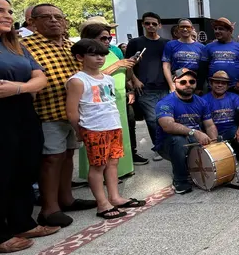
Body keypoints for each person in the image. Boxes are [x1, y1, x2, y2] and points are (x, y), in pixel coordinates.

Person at [22, 4, 90, 228]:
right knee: (51, 158)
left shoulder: (70, 46)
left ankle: (66, 198)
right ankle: (49, 209)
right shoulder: (25, 45)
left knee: (68, 155)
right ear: (32, 22)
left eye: (58, 17)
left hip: (72, 113)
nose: (54, 21)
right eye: (47, 17)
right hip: (46, 112)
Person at [0, 0, 57, 253]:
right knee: (1, 173)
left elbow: (40, 78)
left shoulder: (15, 46)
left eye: (9, 11)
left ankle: (22, 221)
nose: (7, 16)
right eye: (0, 11)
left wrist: (18, 88)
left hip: (23, 112)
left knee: (25, 168)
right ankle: (1, 234)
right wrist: (23, 88)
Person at [66, 39, 146, 220]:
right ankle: (102, 204)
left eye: (102, 54)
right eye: (93, 55)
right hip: (94, 129)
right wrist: (79, 132)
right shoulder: (78, 81)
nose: (99, 58)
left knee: (113, 163)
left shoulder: (108, 79)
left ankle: (115, 197)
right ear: (80, 57)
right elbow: (72, 111)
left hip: (113, 126)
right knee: (98, 166)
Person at [77, 23, 140, 180]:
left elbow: (124, 74)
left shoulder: (111, 52)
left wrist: (129, 66)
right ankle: (101, 175)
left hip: (116, 97)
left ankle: (121, 170)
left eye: (109, 37)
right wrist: (118, 64)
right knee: (99, 142)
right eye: (102, 38)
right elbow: (92, 76)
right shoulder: (85, 54)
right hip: (96, 102)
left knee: (119, 138)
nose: (107, 41)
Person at [155, 68, 218, 194]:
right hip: (168, 144)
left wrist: (214, 144)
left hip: (192, 139)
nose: (188, 84)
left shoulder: (202, 102)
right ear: (174, 83)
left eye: (191, 81)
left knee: (217, 138)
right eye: (183, 82)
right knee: (179, 141)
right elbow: (167, 126)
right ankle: (180, 180)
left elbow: (210, 125)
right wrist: (194, 132)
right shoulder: (165, 103)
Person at [125, 12, 169, 161]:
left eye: (154, 23)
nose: (151, 26)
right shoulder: (135, 43)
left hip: (164, 87)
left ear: (159, 25)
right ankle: (158, 147)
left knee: (165, 118)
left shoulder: (165, 43)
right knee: (152, 119)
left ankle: (165, 145)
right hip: (144, 88)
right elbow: (128, 65)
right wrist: (134, 80)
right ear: (143, 24)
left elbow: (168, 65)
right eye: (147, 23)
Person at [205, 70, 239, 158]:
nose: (220, 85)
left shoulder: (234, 97)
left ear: (227, 86)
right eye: (217, 82)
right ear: (211, 84)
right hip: (212, 133)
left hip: (231, 131)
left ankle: (237, 153)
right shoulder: (204, 100)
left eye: (223, 83)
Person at [205, 17, 239, 96]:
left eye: (221, 29)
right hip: (214, 89)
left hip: (235, 88)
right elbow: (203, 68)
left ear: (230, 31)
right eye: (215, 29)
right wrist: (200, 87)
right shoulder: (208, 47)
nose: (217, 31)